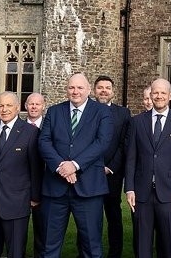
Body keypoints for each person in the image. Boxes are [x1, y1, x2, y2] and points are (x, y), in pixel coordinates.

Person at [38, 73, 113, 258]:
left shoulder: (102, 112)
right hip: (55, 189)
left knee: (91, 247)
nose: (75, 91)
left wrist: (75, 165)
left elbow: (102, 142)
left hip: (89, 189)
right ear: (67, 89)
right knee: (49, 247)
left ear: (88, 90)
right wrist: (61, 167)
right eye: (71, 87)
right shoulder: (54, 111)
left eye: (80, 88)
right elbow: (44, 141)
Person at [124, 78, 171, 258]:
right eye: (155, 93)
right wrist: (129, 188)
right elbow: (131, 158)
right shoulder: (137, 122)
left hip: (170, 195)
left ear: (170, 95)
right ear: (151, 95)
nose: (159, 96)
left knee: (170, 246)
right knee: (142, 246)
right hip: (141, 194)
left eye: (163, 93)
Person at [0, 92, 42, 258]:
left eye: (8, 105)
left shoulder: (31, 132)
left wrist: (35, 196)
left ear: (17, 107)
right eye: (0, 105)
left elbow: (35, 167)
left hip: (17, 203)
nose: (4, 109)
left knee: (15, 253)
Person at [94, 75, 132, 258]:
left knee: (113, 215)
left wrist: (110, 167)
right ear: (94, 90)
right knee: (88, 216)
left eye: (107, 88)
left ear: (113, 91)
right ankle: (87, 252)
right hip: (89, 173)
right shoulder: (87, 111)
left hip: (112, 174)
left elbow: (124, 143)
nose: (104, 91)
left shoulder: (123, 114)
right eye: (100, 87)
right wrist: (93, 166)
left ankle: (115, 253)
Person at [23, 92, 47, 258]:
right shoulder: (17, 127)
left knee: (41, 229)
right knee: (18, 229)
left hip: (44, 186)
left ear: (43, 107)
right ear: (25, 106)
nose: (34, 107)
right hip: (20, 185)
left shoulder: (49, 127)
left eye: (37, 104)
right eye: (31, 104)